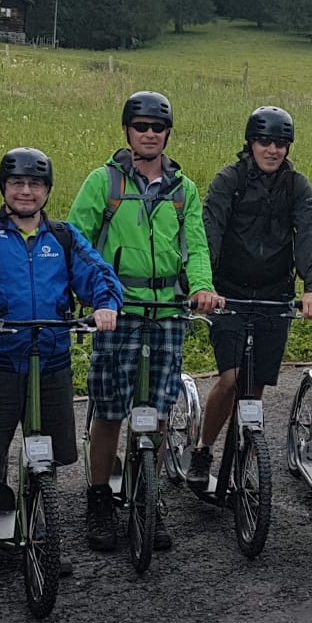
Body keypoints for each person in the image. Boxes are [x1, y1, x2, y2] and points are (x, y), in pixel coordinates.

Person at [0, 148, 122, 586]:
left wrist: (105, 304)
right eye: (17, 184)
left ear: (46, 190)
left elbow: (98, 274)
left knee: (47, 453)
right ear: (4, 188)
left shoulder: (62, 238)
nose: (26, 191)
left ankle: (41, 535)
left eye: (35, 184)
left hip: (49, 359)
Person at [67, 92, 221, 555]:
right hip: (119, 312)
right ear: (127, 131)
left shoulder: (183, 189)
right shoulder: (104, 182)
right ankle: (99, 497)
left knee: (154, 409)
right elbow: (78, 241)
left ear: (167, 133)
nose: (149, 133)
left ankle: (146, 495)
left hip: (168, 312)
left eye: (157, 127)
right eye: (141, 126)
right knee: (111, 409)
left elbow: (195, 245)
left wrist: (202, 288)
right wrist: (94, 296)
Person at [190, 106, 312, 497]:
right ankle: (203, 450)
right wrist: (202, 285)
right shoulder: (228, 180)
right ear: (251, 142)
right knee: (231, 379)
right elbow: (209, 230)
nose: (273, 149)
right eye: (265, 141)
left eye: (281, 143)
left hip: (273, 296)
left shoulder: (297, 186)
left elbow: (308, 235)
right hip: (227, 293)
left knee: (254, 387)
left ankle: (243, 456)